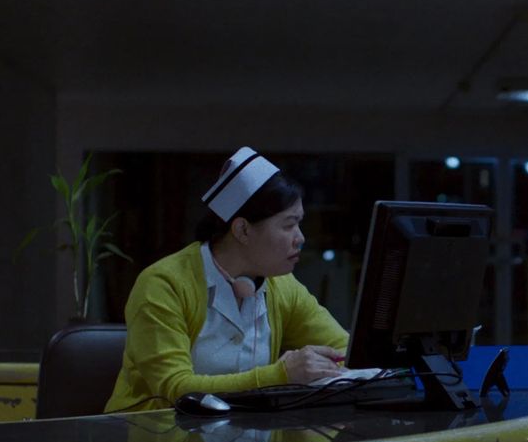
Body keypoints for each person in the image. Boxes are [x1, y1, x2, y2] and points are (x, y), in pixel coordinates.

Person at [105, 147, 348, 412]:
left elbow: (346, 350)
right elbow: (177, 390)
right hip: (152, 433)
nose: (300, 238)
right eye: (288, 225)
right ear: (242, 230)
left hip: (246, 433)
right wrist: (281, 375)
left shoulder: (282, 285)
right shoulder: (164, 284)